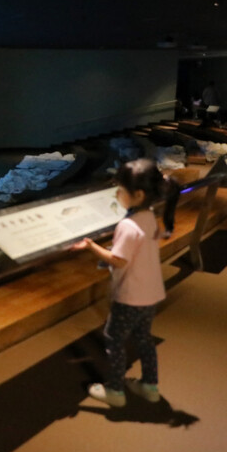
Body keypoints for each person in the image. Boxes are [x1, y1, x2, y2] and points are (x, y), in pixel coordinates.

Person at [70, 158, 179, 407]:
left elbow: (118, 260)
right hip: (150, 293)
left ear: (138, 195)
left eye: (120, 189)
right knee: (144, 338)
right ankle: (150, 386)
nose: (117, 194)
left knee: (114, 340)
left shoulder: (128, 225)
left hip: (130, 296)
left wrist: (90, 246)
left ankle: (115, 390)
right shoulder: (149, 216)